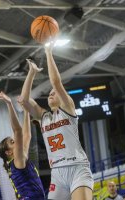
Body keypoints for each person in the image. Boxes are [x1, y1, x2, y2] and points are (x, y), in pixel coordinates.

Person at [18, 44, 94, 200]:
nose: (51, 94)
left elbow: (56, 82)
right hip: (57, 172)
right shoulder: (43, 117)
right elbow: (24, 100)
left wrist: (48, 52)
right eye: (49, 94)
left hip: (77, 168)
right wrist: (31, 73)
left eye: (54, 94)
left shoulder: (68, 109)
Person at [0, 89, 45, 200]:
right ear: (9, 152)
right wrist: (9, 103)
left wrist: (26, 111)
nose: (16, 141)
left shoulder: (20, 160)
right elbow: (18, 131)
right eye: (12, 142)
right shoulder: (18, 161)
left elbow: (27, 135)